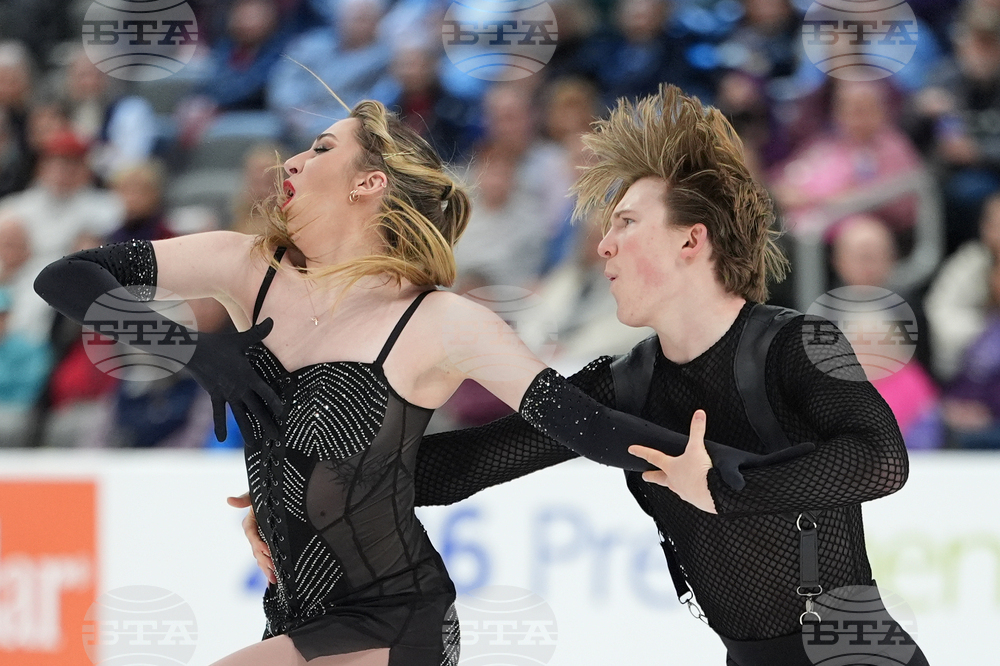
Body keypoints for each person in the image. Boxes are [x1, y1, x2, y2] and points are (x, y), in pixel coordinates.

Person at [34, 98, 767, 665]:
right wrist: (197, 350)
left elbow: (579, 423)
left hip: (394, 616)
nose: (291, 160)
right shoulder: (242, 266)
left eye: (320, 147)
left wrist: (719, 465)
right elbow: (67, 276)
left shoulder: (439, 322)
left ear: (368, 182)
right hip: (293, 610)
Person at [240, 85, 927, 665]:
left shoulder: (799, 343)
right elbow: (465, 466)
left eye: (626, 222)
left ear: (692, 241)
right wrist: (296, 490)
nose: (603, 243)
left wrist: (722, 485)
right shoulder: (624, 386)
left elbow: (880, 461)